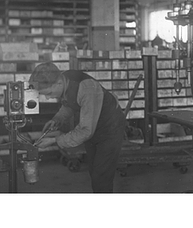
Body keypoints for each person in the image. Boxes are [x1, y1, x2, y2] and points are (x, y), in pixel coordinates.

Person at [29, 62, 126, 193]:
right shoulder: (65, 79)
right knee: (94, 171)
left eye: (49, 92)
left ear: (58, 83)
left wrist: (55, 141)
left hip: (109, 129)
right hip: (92, 126)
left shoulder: (87, 89)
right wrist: (57, 119)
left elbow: (86, 131)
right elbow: (70, 103)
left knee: (101, 176)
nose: (48, 97)